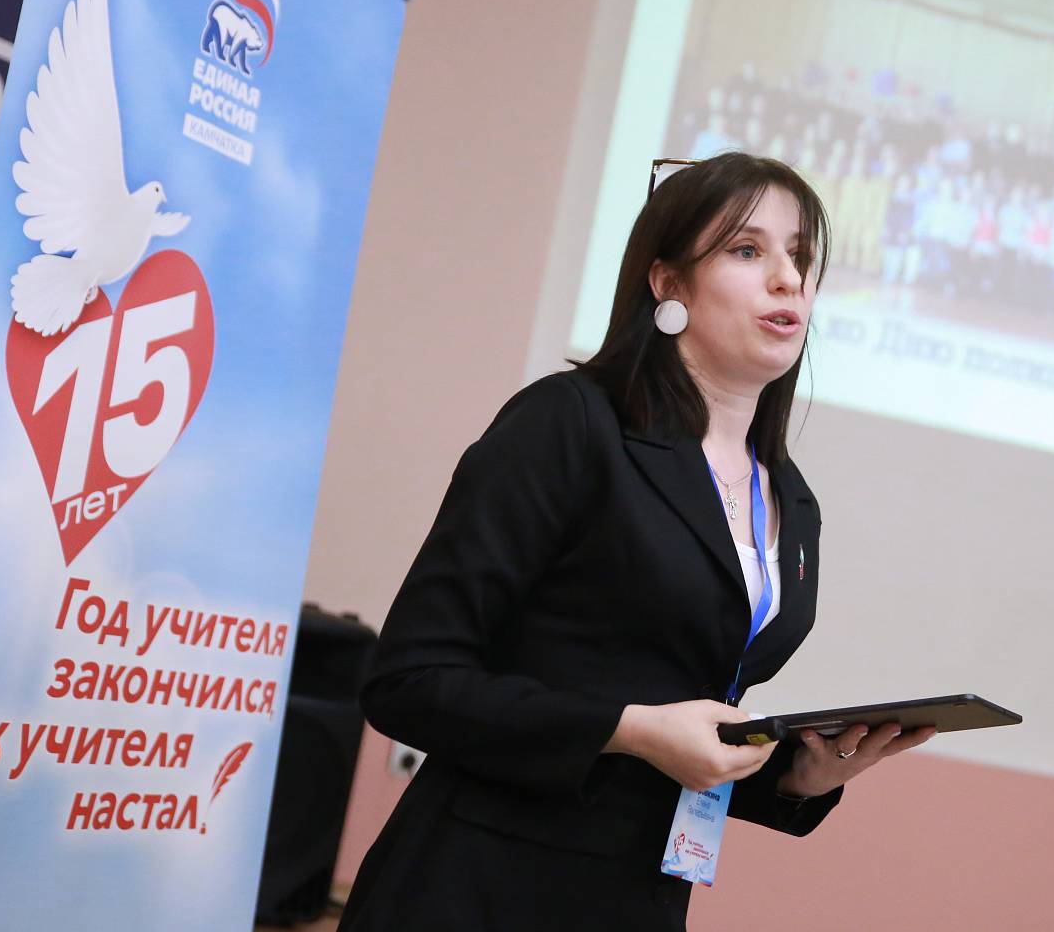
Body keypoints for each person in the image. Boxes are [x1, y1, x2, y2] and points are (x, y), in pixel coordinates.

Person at [338, 152, 934, 930]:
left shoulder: (791, 501)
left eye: (800, 256)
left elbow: (683, 721)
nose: (788, 279)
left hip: (637, 897)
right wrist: (629, 729)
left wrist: (796, 778)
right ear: (668, 282)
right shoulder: (571, 424)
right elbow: (409, 681)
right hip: (475, 888)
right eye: (747, 250)